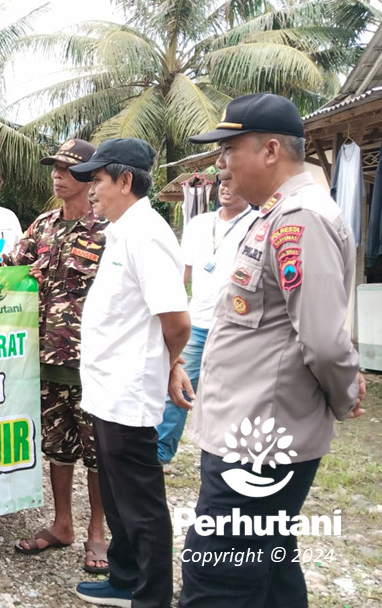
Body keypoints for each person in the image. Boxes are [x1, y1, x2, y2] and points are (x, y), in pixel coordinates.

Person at [177, 93, 365, 607]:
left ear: (270, 151)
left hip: (260, 438)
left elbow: (323, 339)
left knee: (217, 576)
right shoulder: (275, 214)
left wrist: (345, 395)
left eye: (229, 150)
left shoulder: (300, 219)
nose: (221, 164)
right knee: (270, 566)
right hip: (252, 427)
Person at [69, 138, 191, 608]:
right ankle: (123, 580)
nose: (91, 190)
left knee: (141, 504)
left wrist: (168, 364)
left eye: (97, 180)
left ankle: (151, 596)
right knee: (118, 496)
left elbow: (176, 322)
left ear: (125, 181)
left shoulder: (148, 234)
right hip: (107, 389)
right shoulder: (121, 231)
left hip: (128, 391)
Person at [2, 139, 109, 575]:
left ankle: (97, 533)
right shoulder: (42, 226)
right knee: (57, 447)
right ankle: (62, 524)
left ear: (89, 176)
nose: (56, 175)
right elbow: (6, 270)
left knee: (97, 453)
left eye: (66, 169)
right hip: (45, 360)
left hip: (93, 364)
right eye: (55, 168)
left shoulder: (107, 230)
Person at [156, 184, 256, 466]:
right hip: (196, 323)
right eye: (223, 181)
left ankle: (228, 456)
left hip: (235, 327)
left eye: (233, 181)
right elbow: (182, 274)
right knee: (177, 390)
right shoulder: (199, 224)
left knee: (231, 395)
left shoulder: (257, 224)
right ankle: (160, 453)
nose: (227, 187)